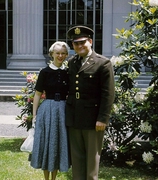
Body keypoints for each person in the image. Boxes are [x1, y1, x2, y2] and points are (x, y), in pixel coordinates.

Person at [65, 26, 115, 180]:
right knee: (77, 159)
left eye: (83, 42)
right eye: (76, 43)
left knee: (92, 162)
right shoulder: (72, 62)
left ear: (90, 42)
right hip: (74, 118)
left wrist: (102, 118)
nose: (79, 46)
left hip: (93, 120)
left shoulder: (103, 63)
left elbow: (108, 94)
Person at [30, 41, 71, 180]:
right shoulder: (45, 72)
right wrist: (34, 115)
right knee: (48, 143)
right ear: (52, 54)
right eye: (58, 53)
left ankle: (54, 178)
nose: (60, 55)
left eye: (63, 53)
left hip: (63, 111)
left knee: (58, 143)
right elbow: (37, 94)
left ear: (66, 55)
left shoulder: (67, 72)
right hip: (47, 111)